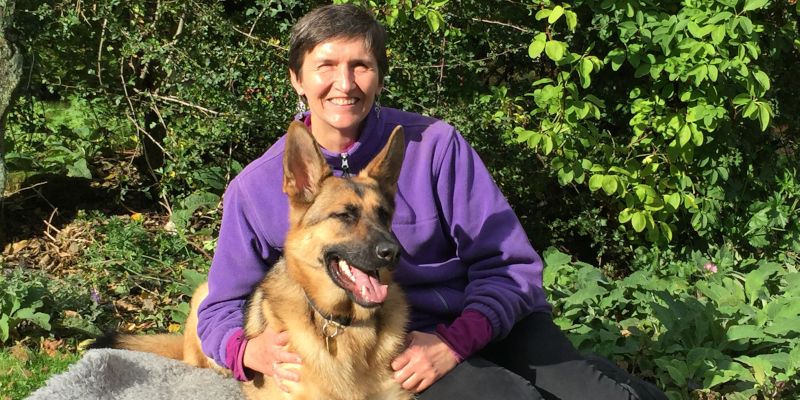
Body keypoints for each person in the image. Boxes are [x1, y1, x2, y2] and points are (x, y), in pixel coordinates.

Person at [196, 4, 667, 399]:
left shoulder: (434, 146)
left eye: (361, 65)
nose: (346, 83)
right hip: (400, 341)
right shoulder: (256, 187)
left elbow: (513, 267)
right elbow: (219, 306)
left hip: (485, 319)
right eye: (326, 66)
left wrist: (455, 343)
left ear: (379, 77)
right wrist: (245, 352)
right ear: (297, 78)